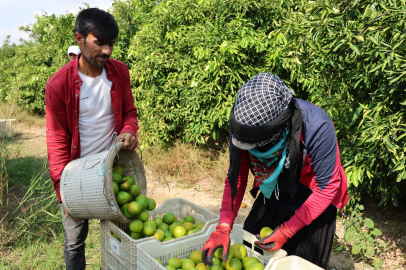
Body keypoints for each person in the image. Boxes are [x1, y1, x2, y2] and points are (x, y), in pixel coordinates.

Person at [202, 73, 349, 269]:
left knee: (300, 263)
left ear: (275, 132)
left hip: (313, 199)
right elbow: (236, 177)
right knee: (251, 253)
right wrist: (224, 226)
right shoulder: (244, 127)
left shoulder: (315, 126)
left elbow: (328, 187)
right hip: (275, 191)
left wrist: (288, 230)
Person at [45, 8, 139, 270]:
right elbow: (57, 140)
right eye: (100, 43)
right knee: (75, 240)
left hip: (114, 168)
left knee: (122, 234)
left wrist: (130, 129)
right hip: (77, 176)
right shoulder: (59, 84)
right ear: (79, 39)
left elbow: (130, 112)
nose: (107, 51)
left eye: (111, 44)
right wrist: (62, 192)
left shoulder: (119, 72)